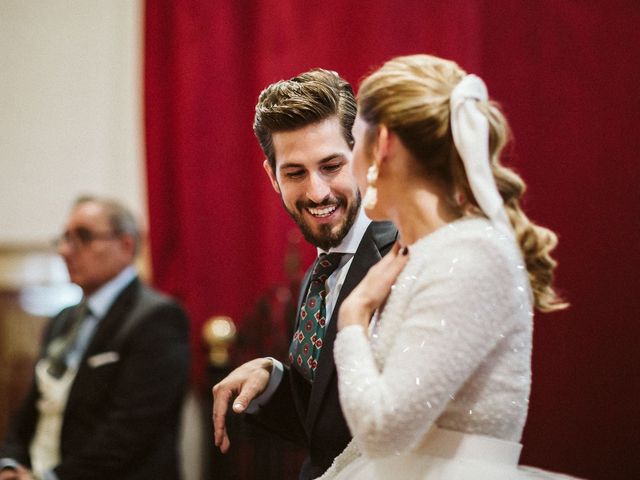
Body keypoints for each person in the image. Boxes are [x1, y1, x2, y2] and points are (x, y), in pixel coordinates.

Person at [317, 54, 578, 479]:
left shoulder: (471, 256)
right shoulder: (429, 253)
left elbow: (382, 431)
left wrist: (352, 318)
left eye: (355, 141)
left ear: (382, 144)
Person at [212, 69, 397, 479]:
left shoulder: (405, 255)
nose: (317, 192)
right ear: (272, 177)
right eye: (295, 173)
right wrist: (273, 380)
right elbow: (326, 432)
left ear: (363, 156)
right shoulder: (317, 275)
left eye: (331, 166)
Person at [0, 196, 190, 480]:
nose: (65, 250)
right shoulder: (62, 319)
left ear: (126, 246)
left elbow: (129, 434)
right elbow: (30, 411)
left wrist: (49, 479)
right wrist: (10, 463)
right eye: (65, 238)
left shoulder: (159, 319)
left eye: (83, 237)